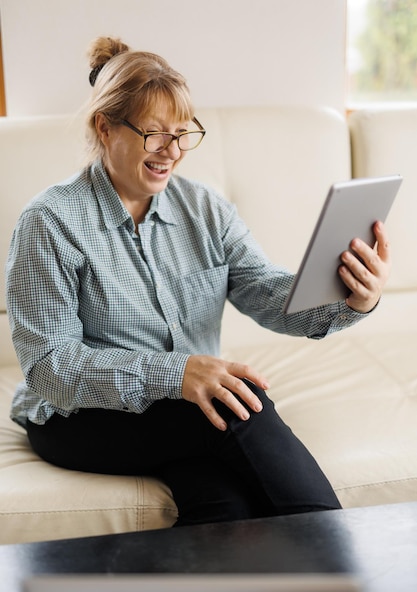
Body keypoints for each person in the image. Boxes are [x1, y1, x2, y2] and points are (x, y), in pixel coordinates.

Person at [6, 36, 391, 526]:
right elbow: (51, 370)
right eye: (155, 134)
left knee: (223, 503)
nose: (173, 151)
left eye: (183, 134)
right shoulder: (50, 222)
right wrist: (178, 374)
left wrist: (350, 298)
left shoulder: (205, 209)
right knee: (239, 403)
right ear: (105, 128)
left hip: (186, 410)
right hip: (76, 416)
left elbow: (268, 294)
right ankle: (348, 561)